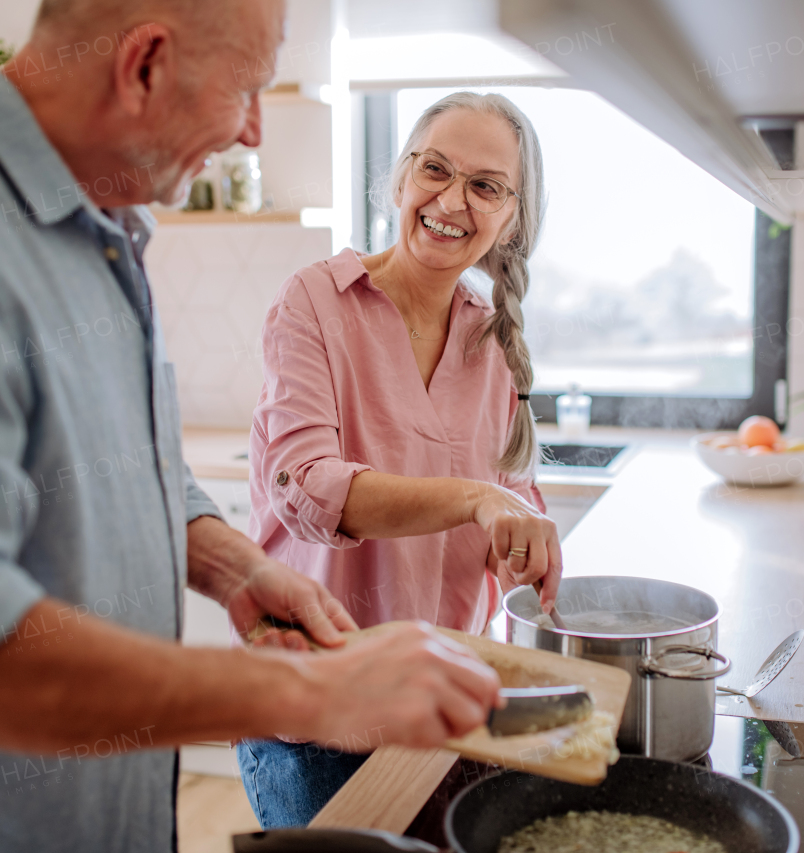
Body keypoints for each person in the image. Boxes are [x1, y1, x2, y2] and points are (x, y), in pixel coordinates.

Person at [0, 3, 500, 851]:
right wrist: (311, 696)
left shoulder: (105, 224)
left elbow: (120, 464)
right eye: (247, 91)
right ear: (142, 63)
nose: (253, 132)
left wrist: (233, 564)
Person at [241, 92, 559, 827]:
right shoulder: (314, 302)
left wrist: (520, 541)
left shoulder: (493, 345)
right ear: (399, 180)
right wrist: (478, 499)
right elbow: (309, 489)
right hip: (315, 712)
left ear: (512, 218)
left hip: (442, 710)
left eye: (485, 186)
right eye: (435, 170)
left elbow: (510, 512)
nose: (452, 200)